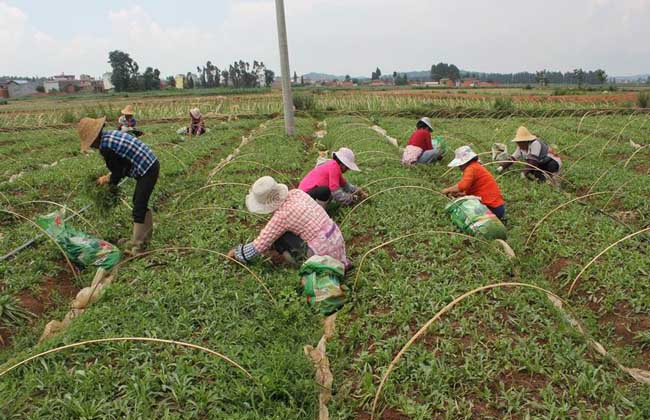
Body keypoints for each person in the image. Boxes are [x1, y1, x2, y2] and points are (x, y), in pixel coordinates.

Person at [77, 117, 159, 254]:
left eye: (91, 143)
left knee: (139, 205)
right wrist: (108, 178)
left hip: (147, 168)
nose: (92, 146)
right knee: (139, 202)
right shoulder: (109, 136)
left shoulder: (106, 147)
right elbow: (121, 165)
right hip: (148, 164)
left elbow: (118, 172)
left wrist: (110, 186)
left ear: (96, 138)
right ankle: (142, 240)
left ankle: (137, 246)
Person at [228, 176, 349, 267]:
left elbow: (259, 245)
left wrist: (237, 254)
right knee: (282, 233)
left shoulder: (282, 216)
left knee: (279, 238)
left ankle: (300, 262)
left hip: (322, 255)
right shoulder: (297, 193)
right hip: (336, 241)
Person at [442, 146, 506, 221]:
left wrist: (448, 190)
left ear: (464, 162)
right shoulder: (476, 166)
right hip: (497, 207)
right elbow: (475, 190)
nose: (459, 167)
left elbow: (463, 185)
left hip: (491, 208)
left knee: (463, 213)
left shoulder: (470, 168)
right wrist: (460, 194)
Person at [298, 147, 367, 206]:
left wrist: (359, 191)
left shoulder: (333, 165)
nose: (348, 169)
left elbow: (345, 186)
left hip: (306, 194)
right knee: (325, 191)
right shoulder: (334, 166)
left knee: (329, 193)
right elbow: (336, 193)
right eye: (347, 167)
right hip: (304, 197)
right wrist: (352, 199)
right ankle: (318, 214)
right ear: (342, 164)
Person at [497, 126, 562, 182]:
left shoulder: (535, 144)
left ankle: (551, 177)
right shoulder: (521, 147)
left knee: (549, 167)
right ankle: (543, 179)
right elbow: (513, 158)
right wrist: (502, 167)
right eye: (518, 142)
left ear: (526, 141)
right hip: (541, 163)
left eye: (520, 142)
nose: (518, 144)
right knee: (532, 171)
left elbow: (532, 162)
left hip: (551, 161)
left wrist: (523, 173)